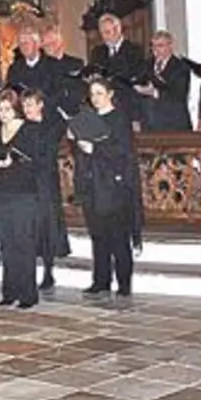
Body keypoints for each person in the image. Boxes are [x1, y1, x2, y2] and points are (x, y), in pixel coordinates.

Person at [70, 78, 144, 298]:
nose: (95, 98)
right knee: (98, 235)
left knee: (118, 236)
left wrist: (95, 149)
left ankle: (123, 283)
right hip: (93, 183)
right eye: (92, 94)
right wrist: (77, 143)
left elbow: (123, 152)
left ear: (110, 94)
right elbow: (82, 151)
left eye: (99, 93)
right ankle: (101, 280)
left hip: (113, 185)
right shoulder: (88, 118)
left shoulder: (119, 118)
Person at [0, 91, 40, 309]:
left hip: (23, 193)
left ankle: (28, 294)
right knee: (7, 243)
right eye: (0, 109)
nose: (3, 113)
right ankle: (10, 291)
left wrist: (14, 163)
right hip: (0, 191)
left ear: (16, 108)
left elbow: (37, 162)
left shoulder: (29, 130)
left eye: (7, 108)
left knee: (23, 243)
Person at [18, 88, 69, 290]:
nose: (27, 109)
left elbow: (47, 151)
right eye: (24, 105)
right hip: (26, 181)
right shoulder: (21, 128)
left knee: (46, 225)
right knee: (28, 226)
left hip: (45, 181)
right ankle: (27, 270)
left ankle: (48, 271)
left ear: (40, 105)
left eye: (30, 104)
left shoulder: (52, 126)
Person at [85, 15, 147, 127]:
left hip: (127, 101)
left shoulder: (134, 50)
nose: (104, 37)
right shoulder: (98, 52)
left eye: (107, 32)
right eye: (102, 33)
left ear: (118, 29)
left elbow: (136, 75)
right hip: (104, 102)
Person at [136, 29, 193, 131]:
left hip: (174, 124)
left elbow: (179, 95)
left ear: (170, 46)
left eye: (160, 46)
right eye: (153, 46)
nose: (155, 50)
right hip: (150, 123)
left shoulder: (181, 67)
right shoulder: (146, 65)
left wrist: (155, 92)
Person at [43, 26, 89, 116]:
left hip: (75, 113)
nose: (48, 47)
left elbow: (81, 89)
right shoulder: (41, 66)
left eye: (51, 42)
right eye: (45, 44)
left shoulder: (76, 63)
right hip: (52, 113)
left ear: (60, 42)